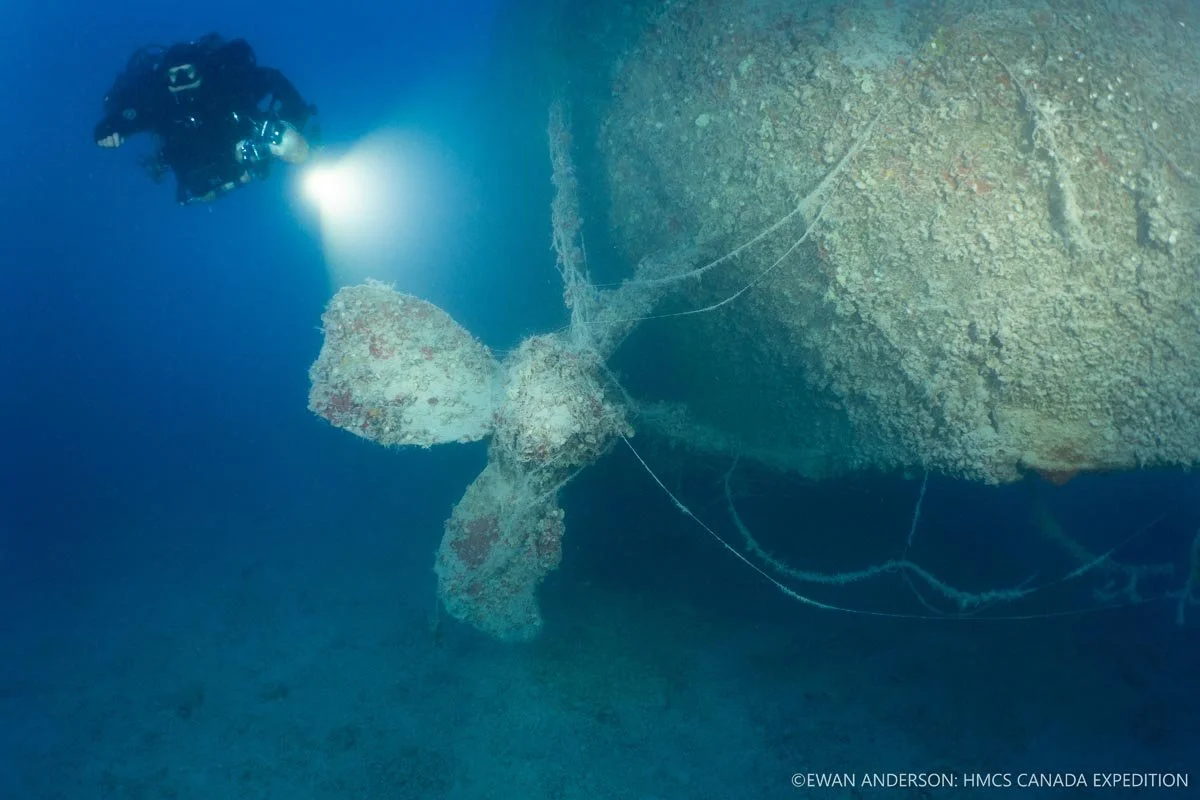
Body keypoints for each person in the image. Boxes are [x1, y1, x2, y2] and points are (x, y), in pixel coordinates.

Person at [94, 33, 317, 205]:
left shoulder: (227, 86)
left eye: (187, 72)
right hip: (198, 169)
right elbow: (128, 118)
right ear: (165, 79)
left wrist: (293, 119)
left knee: (290, 143)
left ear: (200, 70)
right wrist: (110, 129)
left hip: (237, 148)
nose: (181, 81)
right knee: (198, 184)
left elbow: (272, 78)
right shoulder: (163, 103)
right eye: (173, 75)